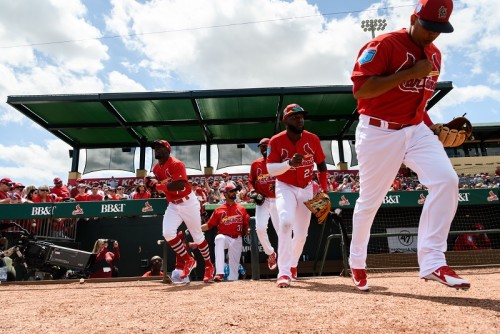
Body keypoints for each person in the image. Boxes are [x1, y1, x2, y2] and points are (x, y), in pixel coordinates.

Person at [348, 0, 469, 291]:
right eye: (428, 27)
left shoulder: (435, 55)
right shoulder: (384, 44)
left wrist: (432, 127)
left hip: (415, 129)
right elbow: (362, 90)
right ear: (414, 17)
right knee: (370, 201)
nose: (432, 35)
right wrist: (410, 73)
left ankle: (433, 261)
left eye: (439, 29)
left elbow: (417, 100)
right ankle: (357, 261)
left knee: (446, 180)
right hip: (378, 130)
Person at [266, 103, 328, 288]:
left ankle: (293, 265)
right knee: (285, 223)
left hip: (307, 187)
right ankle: (283, 273)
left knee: (301, 234)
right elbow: (270, 170)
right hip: (285, 186)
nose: (300, 119)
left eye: (301, 116)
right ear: (286, 120)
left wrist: (323, 189)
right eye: (295, 116)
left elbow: (322, 165)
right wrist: (289, 163)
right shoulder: (275, 141)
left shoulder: (312, 139)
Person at [148, 140, 214, 283]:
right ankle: (188, 260)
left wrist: (157, 186)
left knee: (197, 237)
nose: (156, 150)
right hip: (173, 204)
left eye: (159, 147)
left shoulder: (176, 164)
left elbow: (179, 185)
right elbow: (163, 185)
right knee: (167, 232)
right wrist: (152, 184)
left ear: (167, 149)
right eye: (155, 148)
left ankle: (209, 266)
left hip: (188, 202)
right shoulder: (156, 169)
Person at [201, 181, 250, 281]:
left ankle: (230, 289)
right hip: (225, 237)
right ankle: (220, 272)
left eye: (235, 191)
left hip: (237, 238)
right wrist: (195, 229)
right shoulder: (219, 209)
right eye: (231, 191)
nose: (234, 193)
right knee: (219, 239)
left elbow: (246, 225)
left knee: (234, 272)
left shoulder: (241, 209)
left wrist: (248, 230)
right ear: (225, 194)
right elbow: (208, 225)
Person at [248, 138, 280, 271]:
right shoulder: (255, 164)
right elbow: (251, 181)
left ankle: (288, 262)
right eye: (261, 146)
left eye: (265, 145)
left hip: (279, 199)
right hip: (264, 200)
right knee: (260, 228)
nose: (263, 148)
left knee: (282, 231)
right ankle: (270, 253)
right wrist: (252, 191)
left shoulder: (279, 162)